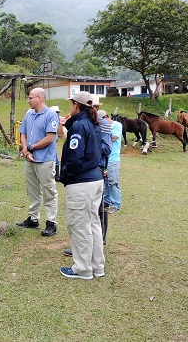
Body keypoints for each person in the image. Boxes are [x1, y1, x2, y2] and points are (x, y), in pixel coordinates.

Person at [59, 91, 105, 280]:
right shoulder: (94, 124)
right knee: (93, 223)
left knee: (79, 225)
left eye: (71, 104)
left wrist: (67, 176)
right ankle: (97, 266)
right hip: (95, 179)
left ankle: (83, 268)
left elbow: (75, 157)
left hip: (82, 182)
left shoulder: (79, 126)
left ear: (76, 106)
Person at [16, 87, 60, 237]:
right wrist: (26, 151)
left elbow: (50, 138)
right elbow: (23, 133)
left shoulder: (51, 115)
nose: (28, 100)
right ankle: (33, 219)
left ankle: (51, 222)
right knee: (33, 190)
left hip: (45, 160)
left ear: (40, 98)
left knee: (49, 191)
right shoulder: (29, 114)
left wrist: (31, 148)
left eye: (30, 98)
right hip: (30, 159)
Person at [99, 110, 122, 215]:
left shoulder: (117, 125)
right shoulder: (102, 128)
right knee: (106, 182)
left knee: (113, 182)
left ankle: (115, 204)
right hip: (104, 158)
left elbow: (113, 138)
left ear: (105, 117)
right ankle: (106, 201)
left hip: (113, 159)